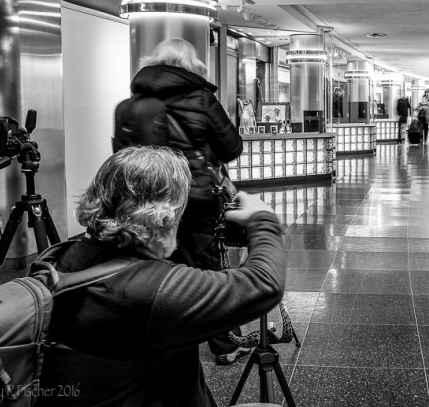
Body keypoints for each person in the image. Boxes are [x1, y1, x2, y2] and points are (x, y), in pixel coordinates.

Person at [37, 146, 286, 406]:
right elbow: (264, 283)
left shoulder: (58, 260)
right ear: (164, 213)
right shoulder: (153, 290)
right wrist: (263, 220)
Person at [113, 38, 247, 364]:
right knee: (210, 268)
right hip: (197, 197)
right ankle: (225, 344)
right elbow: (231, 147)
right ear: (192, 65)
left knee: (156, 264)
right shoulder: (201, 98)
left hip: (149, 198)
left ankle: (162, 341)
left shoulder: (135, 100)